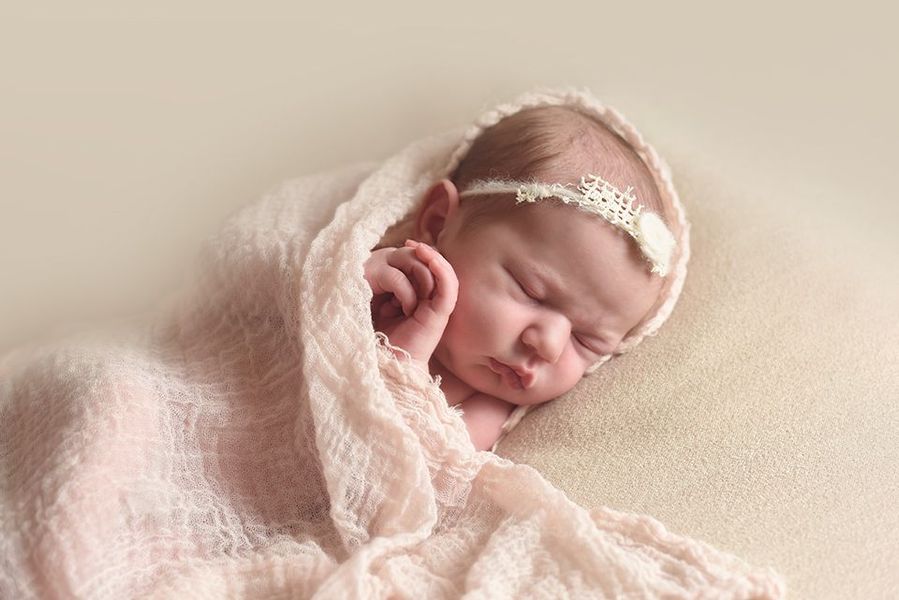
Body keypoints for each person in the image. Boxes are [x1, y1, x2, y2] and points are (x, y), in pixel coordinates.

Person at [364, 105, 676, 451]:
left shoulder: (485, 406)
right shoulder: (375, 270)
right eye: (532, 293)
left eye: (586, 340)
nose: (549, 346)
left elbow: (412, 472)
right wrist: (354, 281)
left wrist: (406, 362)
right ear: (439, 222)